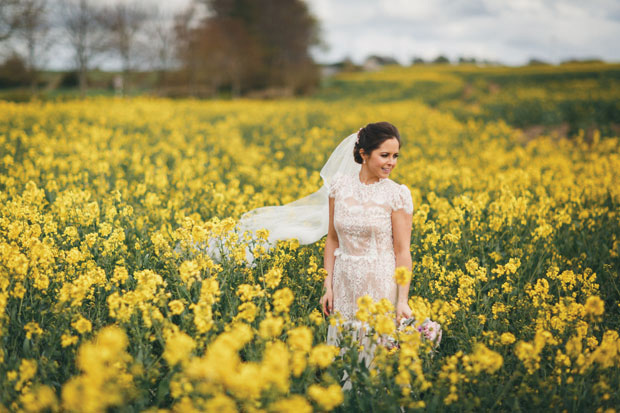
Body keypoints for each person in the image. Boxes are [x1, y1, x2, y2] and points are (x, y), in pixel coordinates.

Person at [319, 122, 414, 348]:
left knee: (375, 355)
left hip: (380, 284)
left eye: (395, 155)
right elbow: (332, 239)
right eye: (384, 155)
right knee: (346, 351)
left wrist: (402, 300)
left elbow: (402, 251)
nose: (391, 162)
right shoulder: (339, 187)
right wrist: (327, 287)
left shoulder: (396, 194)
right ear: (364, 154)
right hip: (344, 284)